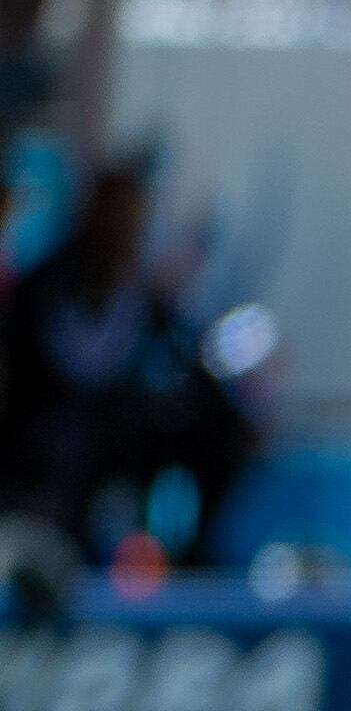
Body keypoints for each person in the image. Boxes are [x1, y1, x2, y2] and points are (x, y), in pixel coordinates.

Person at [0, 160, 247, 564]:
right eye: (112, 214)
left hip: (119, 434)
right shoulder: (42, 291)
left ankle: (186, 555)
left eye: (130, 218)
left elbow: (191, 359)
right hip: (49, 437)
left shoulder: (145, 300)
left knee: (213, 431)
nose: (120, 228)